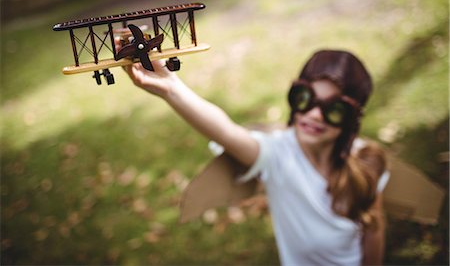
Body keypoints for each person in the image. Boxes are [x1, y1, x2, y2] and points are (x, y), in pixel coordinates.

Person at [123, 49, 389, 266]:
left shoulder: (365, 160)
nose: (315, 115)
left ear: (352, 119)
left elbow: (372, 232)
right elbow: (226, 131)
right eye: (305, 98)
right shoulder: (278, 155)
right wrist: (171, 88)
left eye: (334, 110)